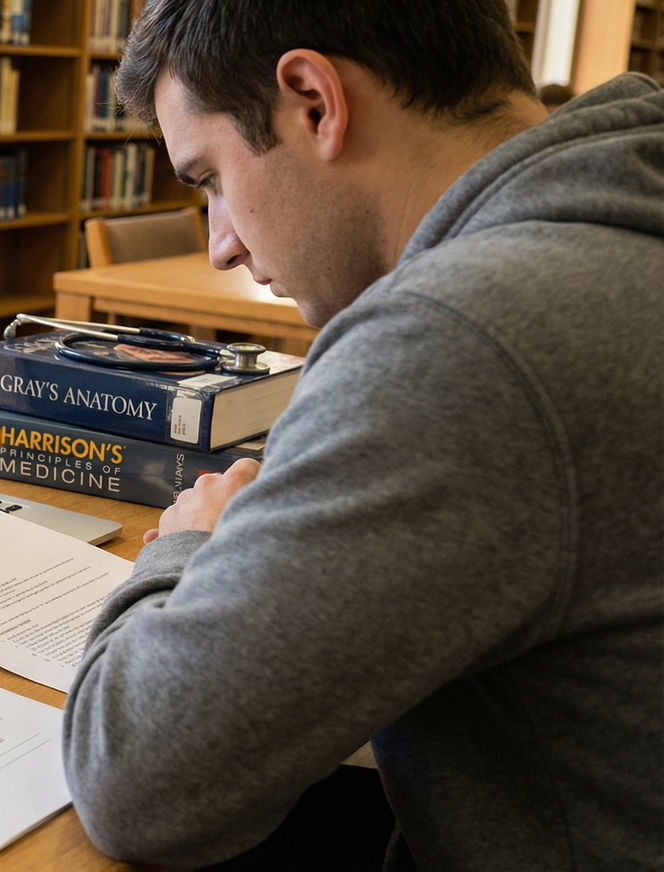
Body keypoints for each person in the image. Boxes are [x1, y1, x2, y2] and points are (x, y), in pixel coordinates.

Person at [61, 2, 664, 871]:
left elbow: (137, 783)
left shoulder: (462, 336)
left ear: (314, 100)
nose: (221, 244)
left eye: (211, 179)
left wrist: (186, 550)